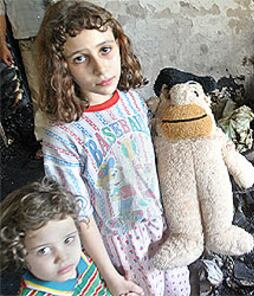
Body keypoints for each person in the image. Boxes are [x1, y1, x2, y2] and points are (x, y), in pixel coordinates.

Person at [36, 1, 190, 295]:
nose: (100, 67)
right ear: (61, 67)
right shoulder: (63, 136)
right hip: (120, 250)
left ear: (119, 45)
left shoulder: (131, 100)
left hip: (161, 226)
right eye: (81, 58)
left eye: (105, 50)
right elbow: (78, 213)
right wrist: (110, 275)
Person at [0, 177, 111, 295]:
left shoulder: (84, 257)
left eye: (68, 240)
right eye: (44, 250)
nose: (63, 257)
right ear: (19, 254)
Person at [0, 0, 48, 142]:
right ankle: (46, 140)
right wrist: (2, 44)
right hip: (26, 39)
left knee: (66, 84)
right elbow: (1, 11)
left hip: (54, 32)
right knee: (38, 91)